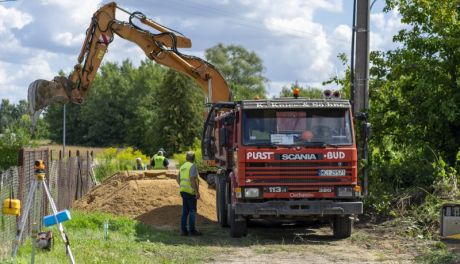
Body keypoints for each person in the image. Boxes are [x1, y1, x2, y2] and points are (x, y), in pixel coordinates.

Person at [176, 151, 202, 236]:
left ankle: (183, 231)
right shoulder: (192, 166)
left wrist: (182, 186)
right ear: (194, 158)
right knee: (192, 211)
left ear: (186, 158)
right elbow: (192, 179)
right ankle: (192, 230)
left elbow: (177, 179)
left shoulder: (182, 166)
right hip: (190, 192)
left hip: (183, 191)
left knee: (185, 211)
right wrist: (197, 192)